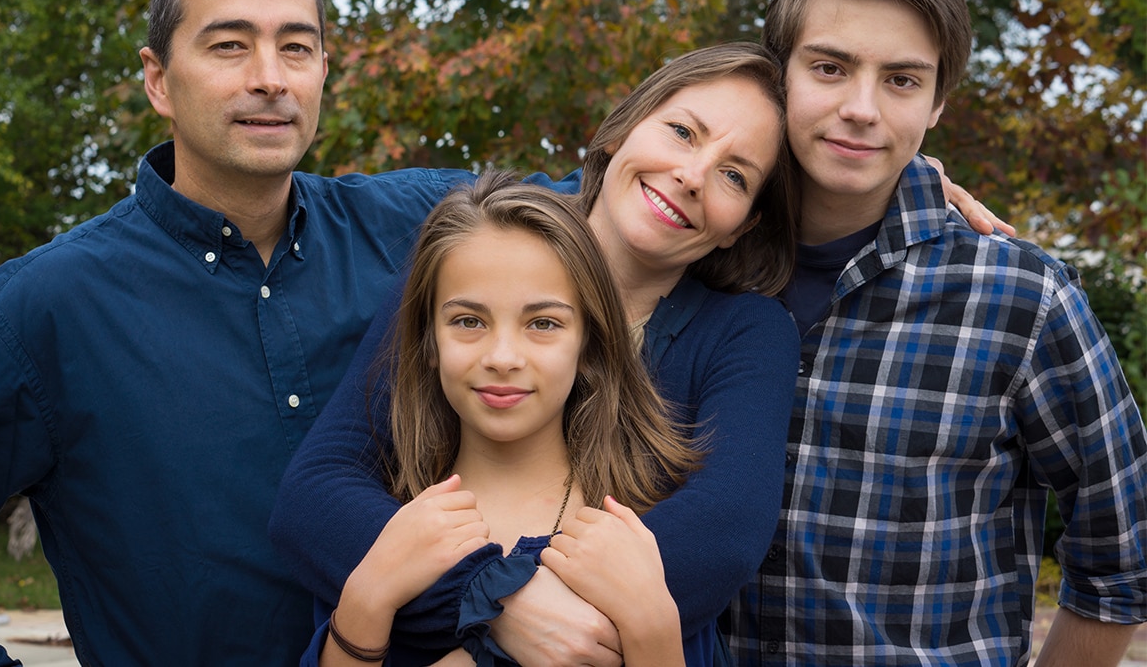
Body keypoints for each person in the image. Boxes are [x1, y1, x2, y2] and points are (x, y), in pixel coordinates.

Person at [0, 0, 567, 666]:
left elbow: (627, 214)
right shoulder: (45, 308)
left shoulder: (423, 232)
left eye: (297, 48)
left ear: (323, 72)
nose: (270, 77)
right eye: (229, 46)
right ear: (157, 79)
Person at [269, 42, 803, 666]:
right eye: (682, 132)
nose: (692, 174)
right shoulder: (478, 248)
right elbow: (316, 498)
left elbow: (723, 530)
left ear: (744, 224)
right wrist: (492, 602)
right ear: (618, 132)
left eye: (735, 174)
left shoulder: (744, 332)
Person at [723, 0, 1147, 666]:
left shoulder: (1022, 300)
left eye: (902, 80)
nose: (863, 107)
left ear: (939, 102)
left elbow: (1124, 557)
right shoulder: (695, 265)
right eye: (829, 67)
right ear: (777, 71)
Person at [314, 171, 713, 666]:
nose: (503, 356)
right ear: (428, 341)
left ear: (589, 345)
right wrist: (368, 595)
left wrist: (653, 626)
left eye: (543, 323)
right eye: (468, 321)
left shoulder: (635, 545)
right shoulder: (392, 531)